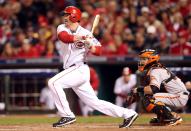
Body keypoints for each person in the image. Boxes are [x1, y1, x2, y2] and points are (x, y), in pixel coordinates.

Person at [48, 6, 138, 128]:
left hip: (79, 69)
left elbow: (98, 51)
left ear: (74, 16)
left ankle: (67, 115)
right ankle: (128, 113)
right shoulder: (62, 28)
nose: (64, 17)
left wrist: (91, 45)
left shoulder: (86, 32)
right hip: (71, 70)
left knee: (53, 83)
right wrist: (82, 38)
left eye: (67, 15)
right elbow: (64, 38)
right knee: (95, 103)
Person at [133, 49, 189, 126]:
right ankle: (162, 117)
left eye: (144, 59)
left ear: (152, 58)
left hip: (179, 96)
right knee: (149, 96)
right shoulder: (156, 68)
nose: (141, 61)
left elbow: (153, 89)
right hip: (177, 95)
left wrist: (138, 89)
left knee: (150, 98)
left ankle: (171, 117)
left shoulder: (156, 70)